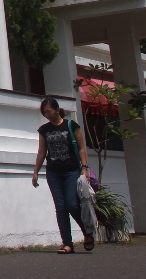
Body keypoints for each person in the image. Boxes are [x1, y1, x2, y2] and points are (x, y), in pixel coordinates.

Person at [32, 97, 94, 254]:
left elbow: (81, 148)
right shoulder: (44, 130)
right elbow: (41, 152)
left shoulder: (71, 125)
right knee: (60, 208)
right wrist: (36, 171)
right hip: (53, 172)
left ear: (57, 109)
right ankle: (67, 243)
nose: (47, 115)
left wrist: (84, 167)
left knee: (72, 205)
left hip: (71, 171)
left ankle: (87, 231)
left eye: (49, 111)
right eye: (44, 113)